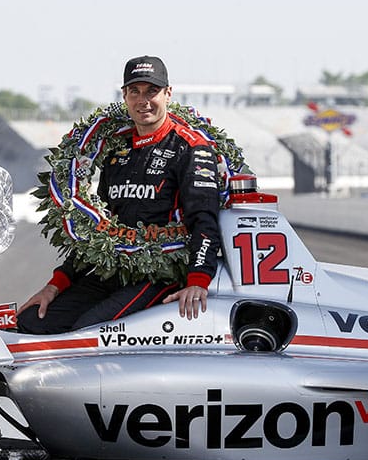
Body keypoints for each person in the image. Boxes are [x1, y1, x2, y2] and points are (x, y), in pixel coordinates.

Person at [17, 55, 222, 334]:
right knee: (32, 321)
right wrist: (57, 284)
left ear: (168, 94)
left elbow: (205, 221)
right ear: (124, 96)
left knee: (88, 331)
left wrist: (198, 280)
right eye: (135, 92)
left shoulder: (191, 148)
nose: (143, 100)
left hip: (161, 273)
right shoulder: (116, 150)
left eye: (152, 91)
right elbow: (100, 230)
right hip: (115, 270)